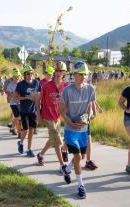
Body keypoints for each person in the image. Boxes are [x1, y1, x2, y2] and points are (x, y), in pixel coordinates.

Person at [59, 61, 95, 199]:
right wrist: (71, 123)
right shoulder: (67, 90)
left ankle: (66, 170)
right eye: (79, 74)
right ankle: (81, 186)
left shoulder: (90, 89)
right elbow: (61, 111)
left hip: (83, 130)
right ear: (74, 75)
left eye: (84, 74)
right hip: (70, 130)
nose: (82, 77)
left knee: (81, 157)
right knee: (78, 157)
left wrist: (88, 117)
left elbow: (90, 107)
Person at [36, 62, 68, 174]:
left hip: (58, 116)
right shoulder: (47, 85)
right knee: (57, 139)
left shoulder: (66, 86)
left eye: (61, 71)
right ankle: (62, 165)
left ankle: (40, 154)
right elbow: (37, 100)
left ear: (64, 72)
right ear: (55, 72)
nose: (59, 73)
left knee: (52, 139)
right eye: (57, 71)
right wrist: (38, 115)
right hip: (47, 115)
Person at [15, 65, 41, 157]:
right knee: (25, 130)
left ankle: (29, 149)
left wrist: (36, 97)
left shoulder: (36, 83)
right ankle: (21, 143)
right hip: (23, 110)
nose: (30, 75)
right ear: (24, 75)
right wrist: (27, 97)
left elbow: (39, 94)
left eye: (31, 73)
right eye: (28, 74)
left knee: (31, 130)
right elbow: (16, 97)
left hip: (33, 110)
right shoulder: (20, 84)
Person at [6, 69, 22, 138]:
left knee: (18, 117)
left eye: (18, 76)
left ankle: (12, 127)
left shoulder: (21, 84)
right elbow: (10, 94)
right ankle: (19, 132)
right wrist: (15, 95)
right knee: (18, 117)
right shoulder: (10, 85)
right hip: (13, 103)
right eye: (15, 76)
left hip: (20, 103)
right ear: (13, 77)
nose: (17, 78)